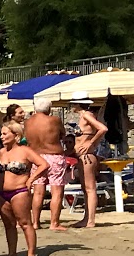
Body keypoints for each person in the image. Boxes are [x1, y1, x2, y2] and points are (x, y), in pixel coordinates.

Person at [0, 121, 47, 256]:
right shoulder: (2, 152)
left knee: (25, 223)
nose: (2, 137)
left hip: (20, 191)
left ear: (16, 135)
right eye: (1, 134)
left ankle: (31, 255)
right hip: (2, 193)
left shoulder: (25, 151)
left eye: (5, 134)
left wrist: (31, 179)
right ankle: (12, 253)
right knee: (8, 224)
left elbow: (44, 164)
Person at [25, 98, 71, 231]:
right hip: (54, 155)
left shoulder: (28, 123)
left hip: (36, 157)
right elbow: (63, 134)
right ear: (49, 109)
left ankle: (35, 222)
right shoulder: (54, 120)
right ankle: (54, 223)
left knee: (38, 192)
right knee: (56, 191)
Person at [72, 101, 109, 229]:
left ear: (77, 104)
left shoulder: (87, 115)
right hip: (84, 156)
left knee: (90, 188)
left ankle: (91, 220)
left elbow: (103, 129)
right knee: (86, 188)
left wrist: (90, 143)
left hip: (87, 156)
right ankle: (87, 218)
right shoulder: (84, 116)